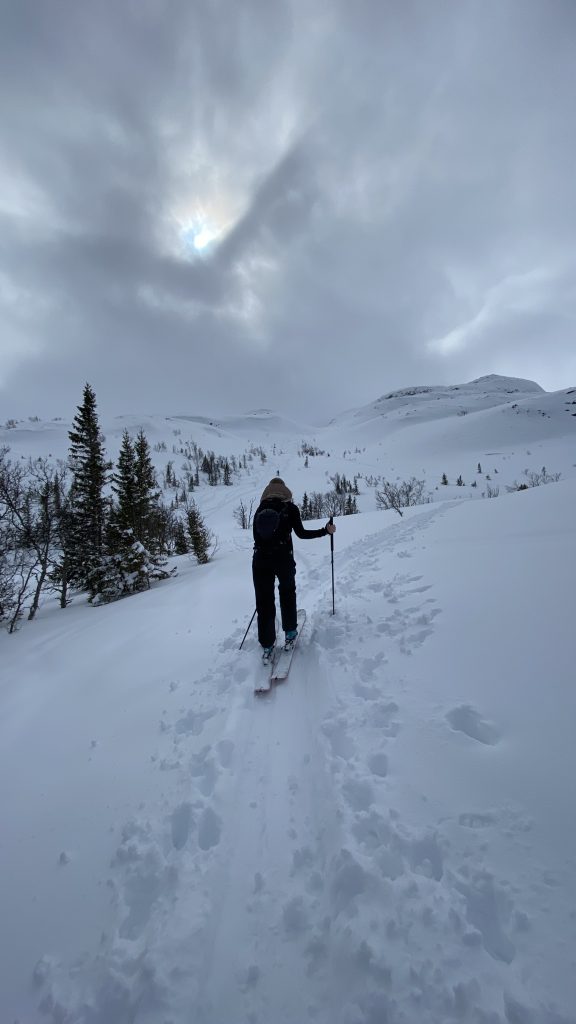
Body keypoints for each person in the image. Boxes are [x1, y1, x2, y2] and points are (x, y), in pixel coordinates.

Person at [252, 477, 336, 659]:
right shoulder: (290, 509)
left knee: (264, 601)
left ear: (267, 491)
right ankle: (290, 632)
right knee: (287, 592)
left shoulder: (259, 509)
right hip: (283, 559)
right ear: (285, 492)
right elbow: (302, 534)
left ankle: (267, 644)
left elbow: (257, 539)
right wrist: (325, 531)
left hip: (260, 561)